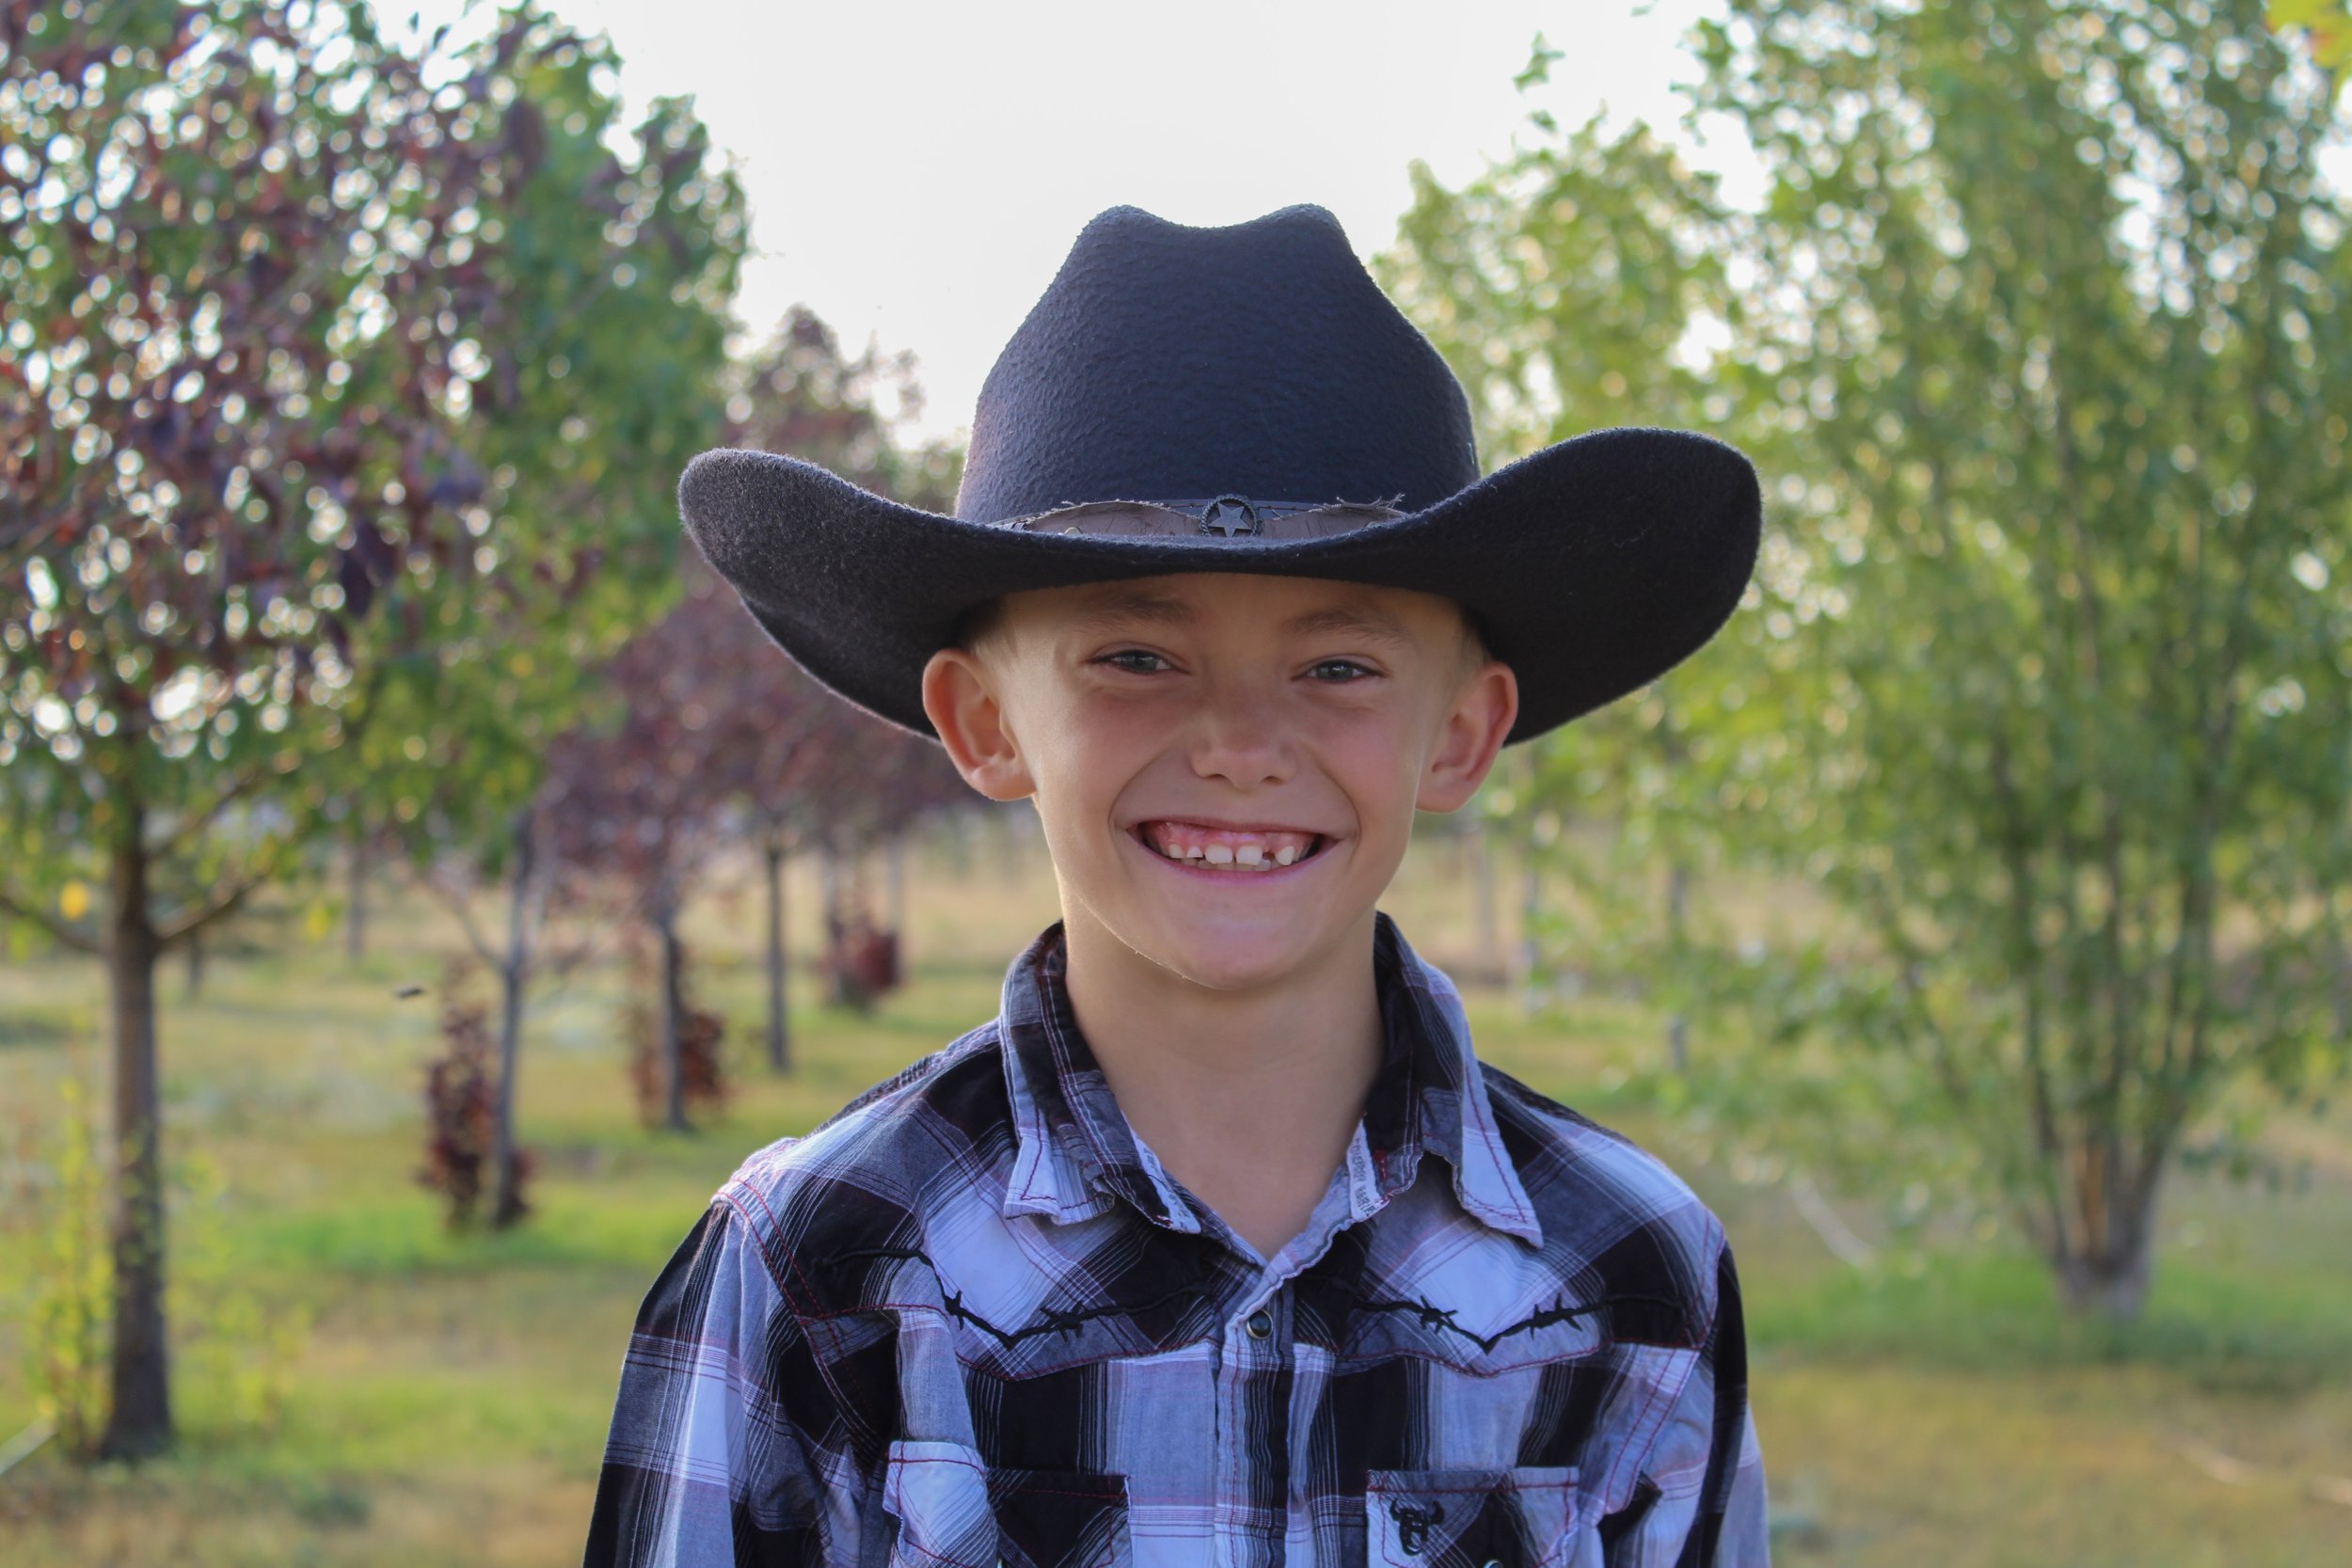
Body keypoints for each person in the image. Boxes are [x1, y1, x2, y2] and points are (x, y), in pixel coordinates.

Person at [584, 203, 1770, 1568]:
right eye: (1135, 660)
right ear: (984, 723)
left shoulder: (1628, 1278)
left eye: (1339, 668)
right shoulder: (817, 1277)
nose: (1240, 748)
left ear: (1459, 734)